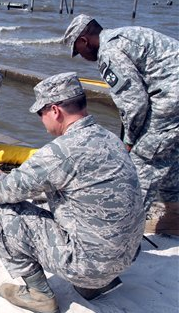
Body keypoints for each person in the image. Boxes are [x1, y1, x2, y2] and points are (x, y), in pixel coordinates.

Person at [0, 72, 145, 313]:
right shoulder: (110, 139)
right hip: (127, 257)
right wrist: (5, 178)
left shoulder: (60, 151)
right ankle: (92, 286)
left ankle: (40, 295)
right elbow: (72, 187)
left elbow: (2, 192)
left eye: (41, 114)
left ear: (55, 111)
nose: (42, 121)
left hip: (91, 266)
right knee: (22, 195)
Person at [63, 14, 179, 218]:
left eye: (78, 51)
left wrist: (130, 141)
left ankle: (126, 230)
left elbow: (135, 103)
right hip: (172, 100)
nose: (80, 56)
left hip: (171, 101)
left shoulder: (110, 52)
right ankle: (172, 218)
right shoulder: (125, 35)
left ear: (84, 41)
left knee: (141, 162)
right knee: (169, 161)